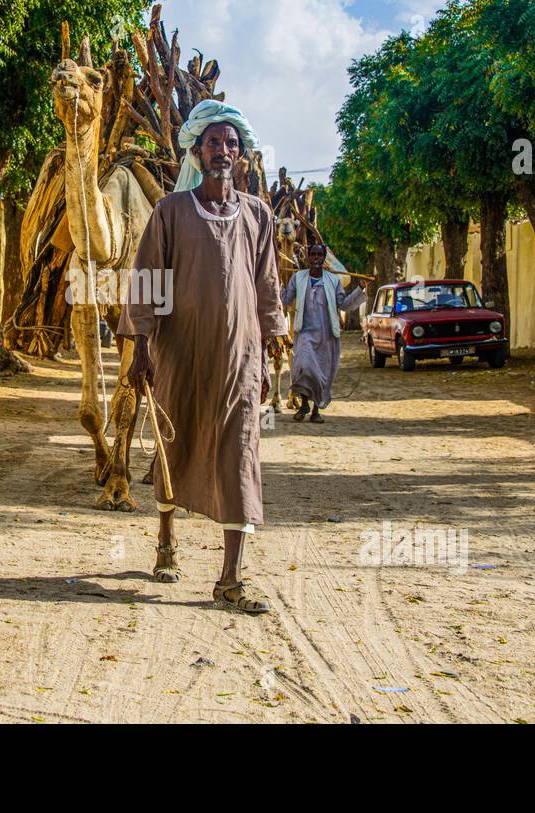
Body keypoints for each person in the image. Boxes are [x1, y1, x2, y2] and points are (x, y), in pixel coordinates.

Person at [120, 100, 287, 614]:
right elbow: (148, 279)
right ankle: (167, 539)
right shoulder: (172, 212)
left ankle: (231, 579)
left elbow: (266, 283)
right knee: (178, 445)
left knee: (240, 452)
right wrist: (142, 346)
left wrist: (273, 339)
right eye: (214, 142)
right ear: (197, 150)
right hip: (180, 353)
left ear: (241, 156)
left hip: (240, 358)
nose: (223, 151)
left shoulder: (258, 214)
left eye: (231, 144)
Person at [282, 243, 367, 423]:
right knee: (304, 366)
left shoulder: (333, 280)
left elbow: (344, 304)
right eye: (312, 255)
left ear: (323, 258)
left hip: (326, 335)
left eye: (319, 255)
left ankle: (314, 411)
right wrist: (274, 283)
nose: (316, 258)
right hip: (304, 332)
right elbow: (285, 299)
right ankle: (304, 402)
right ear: (308, 257)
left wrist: (360, 289)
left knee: (321, 374)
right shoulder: (298, 278)